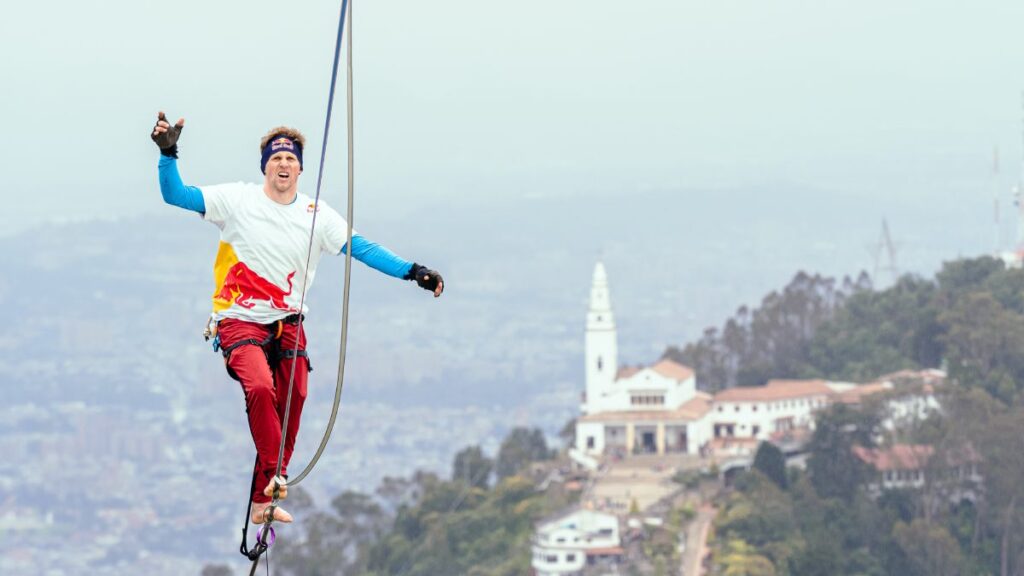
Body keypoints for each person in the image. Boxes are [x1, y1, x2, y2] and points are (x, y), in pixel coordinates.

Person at [151, 112, 444, 524]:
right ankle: (271, 482)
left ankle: (264, 498)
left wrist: (413, 271)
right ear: (264, 167)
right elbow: (176, 195)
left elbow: (362, 248)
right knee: (259, 387)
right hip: (240, 320)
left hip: (288, 323)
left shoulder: (316, 215)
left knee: (295, 399)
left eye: (291, 159)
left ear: (301, 168)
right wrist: (168, 153)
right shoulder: (237, 200)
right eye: (276, 159)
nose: (283, 165)